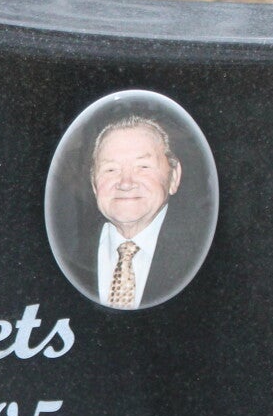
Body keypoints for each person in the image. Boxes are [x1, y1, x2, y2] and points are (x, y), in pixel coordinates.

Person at [86, 115, 202, 310]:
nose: (125, 183)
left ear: (174, 177)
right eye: (111, 169)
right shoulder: (66, 254)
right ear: (94, 184)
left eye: (143, 167)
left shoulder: (205, 255)